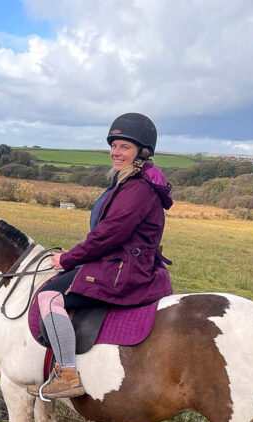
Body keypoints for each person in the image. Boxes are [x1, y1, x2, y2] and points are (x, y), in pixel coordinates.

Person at [28, 113, 174, 399]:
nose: (116, 153)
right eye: (114, 145)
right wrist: (77, 254)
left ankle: (67, 374)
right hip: (118, 261)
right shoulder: (131, 181)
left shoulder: (138, 188)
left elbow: (109, 235)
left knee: (49, 297)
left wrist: (67, 260)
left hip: (125, 269)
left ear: (142, 153)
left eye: (125, 147)